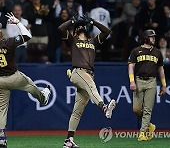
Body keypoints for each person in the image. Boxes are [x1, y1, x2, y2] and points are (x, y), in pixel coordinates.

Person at [58, 13, 116, 148]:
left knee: (77, 111)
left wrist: (93, 21)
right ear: (75, 30)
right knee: (92, 86)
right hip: (78, 72)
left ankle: (68, 141)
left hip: (88, 73)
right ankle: (104, 107)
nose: (81, 28)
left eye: (82, 26)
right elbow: (61, 28)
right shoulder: (73, 41)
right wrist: (72, 20)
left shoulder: (93, 42)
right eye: (79, 27)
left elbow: (107, 31)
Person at [0, 13, 51, 148]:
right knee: (30, 84)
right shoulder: (8, 42)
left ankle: (1, 139)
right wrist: (17, 22)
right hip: (13, 77)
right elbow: (27, 35)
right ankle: (43, 97)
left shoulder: (7, 42)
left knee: (1, 109)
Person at [128, 29, 167, 141]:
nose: (154, 39)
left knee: (147, 110)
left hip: (151, 81)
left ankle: (142, 133)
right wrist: (132, 81)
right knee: (136, 109)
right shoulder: (136, 51)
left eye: (154, 37)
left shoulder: (157, 52)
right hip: (139, 80)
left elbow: (161, 69)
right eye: (151, 37)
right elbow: (131, 67)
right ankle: (150, 125)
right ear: (145, 38)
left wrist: (164, 85)